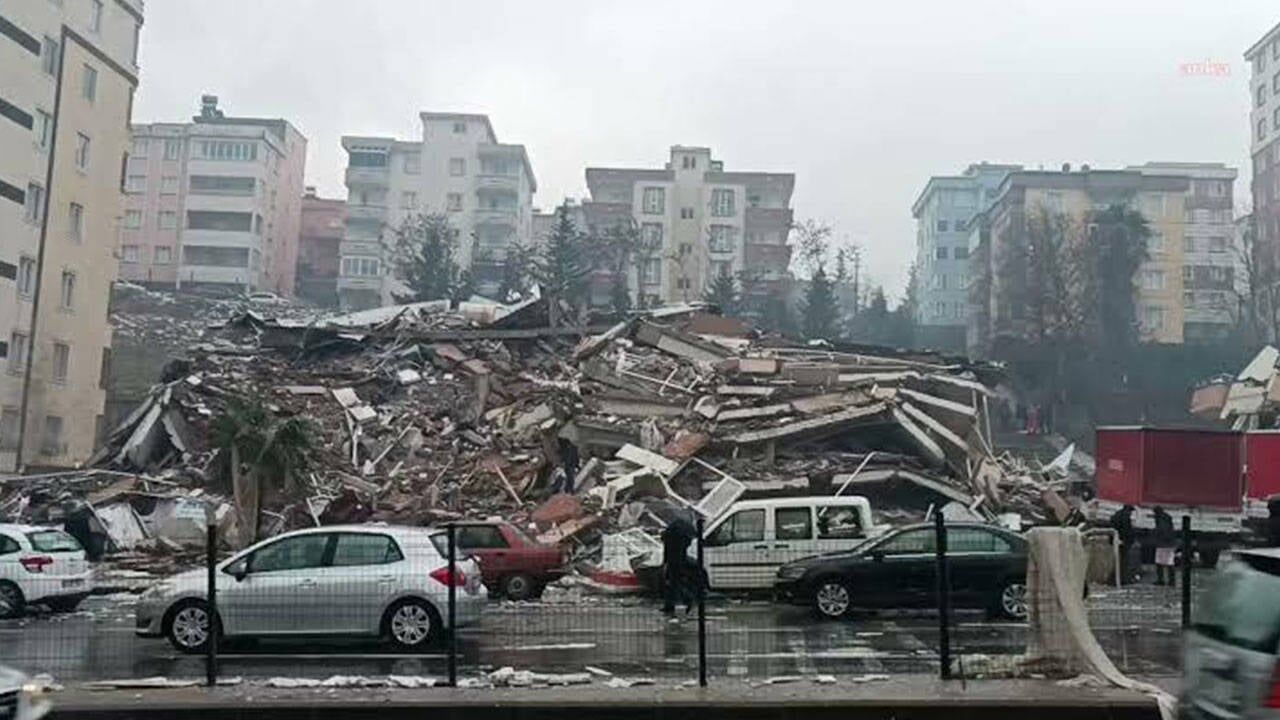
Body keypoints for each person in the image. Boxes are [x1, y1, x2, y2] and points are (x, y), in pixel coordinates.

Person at [661, 515, 698, 616]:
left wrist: (664, 563)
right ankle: (673, 604)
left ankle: (672, 604)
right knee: (675, 584)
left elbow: (666, 552)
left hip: (674, 562)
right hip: (679, 561)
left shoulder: (671, 536)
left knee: (673, 584)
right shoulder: (683, 535)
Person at [1109, 504, 1136, 585]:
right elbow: (1126, 530)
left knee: (1118, 560)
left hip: (1116, 540)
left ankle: (1115, 579)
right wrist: (1128, 540)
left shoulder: (1116, 515)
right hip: (1123, 541)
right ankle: (1122, 579)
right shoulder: (1125, 516)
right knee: (1123, 561)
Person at [1153, 507, 1176, 587]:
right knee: (1169, 562)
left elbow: (1162, 530)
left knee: (1160, 562)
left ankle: (1161, 580)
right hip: (1169, 544)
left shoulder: (1161, 520)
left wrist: (1157, 535)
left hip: (1163, 544)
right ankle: (1171, 580)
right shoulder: (1167, 518)